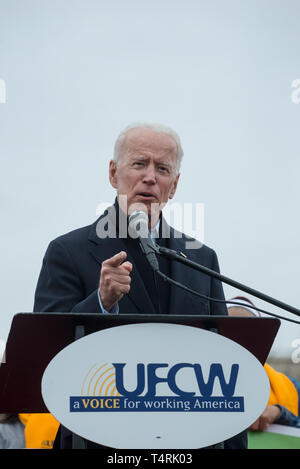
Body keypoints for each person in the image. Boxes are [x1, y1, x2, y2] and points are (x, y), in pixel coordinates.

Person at [33, 122, 247, 449]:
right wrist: (101, 302)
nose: (150, 177)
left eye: (162, 168)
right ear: (113, 173)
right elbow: (45, 358)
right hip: (100, 441)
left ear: (173, 186)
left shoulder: (202, 259)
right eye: (139, 164)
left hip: (189, 444)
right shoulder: (68, 251)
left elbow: (226, 369)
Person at [228, 296, 300, 430]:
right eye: (229, 330)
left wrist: (281, 413)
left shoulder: (292, 387)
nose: (237, 338)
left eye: (247, 331)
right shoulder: (197, 385)